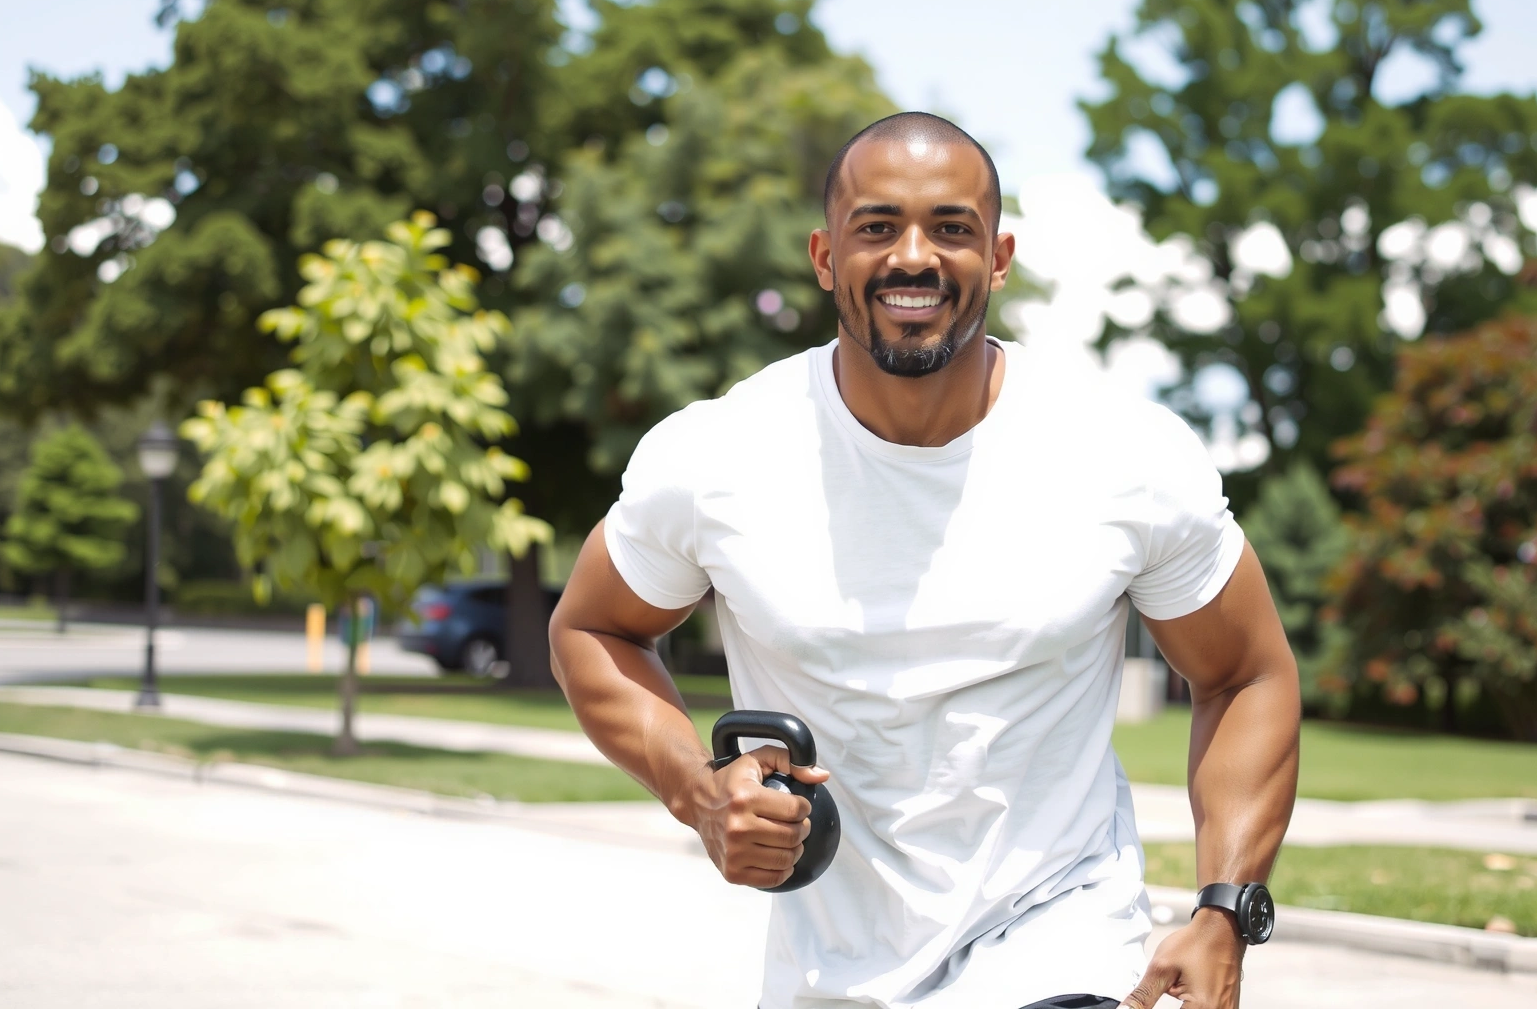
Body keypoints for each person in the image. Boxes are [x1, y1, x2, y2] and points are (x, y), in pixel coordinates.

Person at [548, 111, 1300, 1009]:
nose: (914, 257)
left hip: (1063, 944)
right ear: (825, 256)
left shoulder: (1125, 453)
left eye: (951, 228)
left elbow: (1246, 674)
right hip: (829, 974)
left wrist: (1225, 910)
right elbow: (592, 628)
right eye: (877, 227)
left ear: (999, 257)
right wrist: (698, 791)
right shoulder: (718, 456)